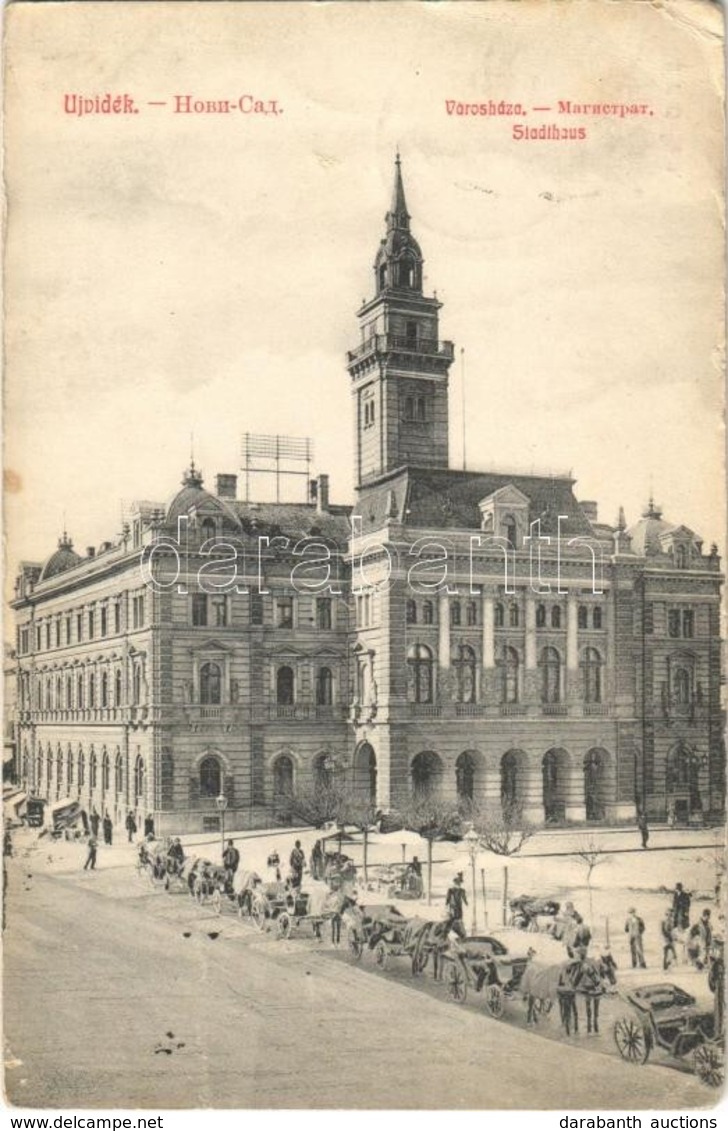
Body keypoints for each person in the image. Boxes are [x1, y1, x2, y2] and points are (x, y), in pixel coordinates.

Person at [445, 873, 468, 940]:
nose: (458, 885)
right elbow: (448, 899)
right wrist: (446, 904)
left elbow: (464, 899)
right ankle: (454, 932)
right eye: (457, 883)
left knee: (458, 919)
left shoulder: (461, 891)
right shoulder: (451, 890)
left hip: (458, 907)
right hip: (453, 907)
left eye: (459, 883)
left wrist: (466, 903)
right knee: (454, 919)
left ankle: (459, 932)